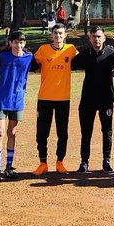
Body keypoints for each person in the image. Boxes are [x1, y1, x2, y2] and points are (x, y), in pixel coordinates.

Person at [71, 26, 114, 173]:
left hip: (106, 98)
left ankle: (106, 160)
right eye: (94, 36)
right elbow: (69, 64)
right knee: (86, 131)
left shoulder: (111, 53)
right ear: (90, 38)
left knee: (107, 130)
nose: (97, 39)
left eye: (99, 36)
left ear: (104, 38)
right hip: (87, 99)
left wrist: (111, 75)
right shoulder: (85, 54)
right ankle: (84, 161)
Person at [0, 31, 35, 182]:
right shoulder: (3, 56)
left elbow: (41, 66)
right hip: (1, 100)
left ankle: (9, 166)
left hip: (17, 100)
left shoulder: (29, 57)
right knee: (0, 131)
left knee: (12, 133)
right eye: (15, 42)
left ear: (25, 43)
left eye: (21, 42)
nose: (18, 45)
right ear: (10, 43)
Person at [33, 24, 79, 175]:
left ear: (65, 35)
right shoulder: (43, 50)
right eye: (55, 33)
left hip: (63, 98)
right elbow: (33, 65)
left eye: (60, 33)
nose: (58, 36)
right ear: (51, 35)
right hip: (45, 97)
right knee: (42, 132)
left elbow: (84, 60)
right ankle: (43, 162)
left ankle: (60, 161)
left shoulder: (71, 50)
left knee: (62, 132)